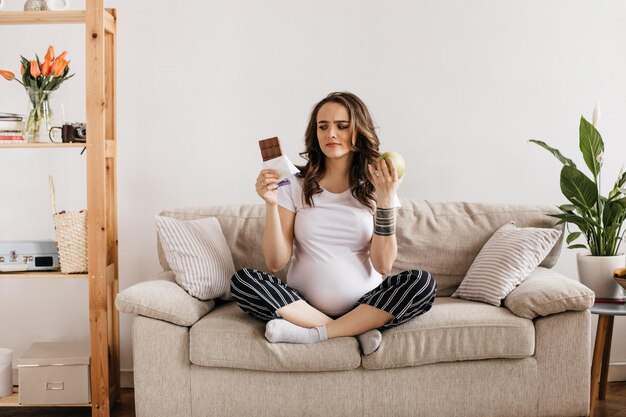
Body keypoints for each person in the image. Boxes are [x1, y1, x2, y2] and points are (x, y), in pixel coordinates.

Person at [230, 91, 436, 355]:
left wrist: (384, 200)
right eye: (323, 126)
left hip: (366, 303)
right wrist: (271, 204)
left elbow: (384, 265)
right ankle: (356, 330)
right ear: (314, 133)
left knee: (422, 283)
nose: (331, 134)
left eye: (342, 126)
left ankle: (315, 334)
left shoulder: (377, 184)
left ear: (358, 131)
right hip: (301, 305)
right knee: (244, 281)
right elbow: (275, 263)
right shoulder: (295, 184)